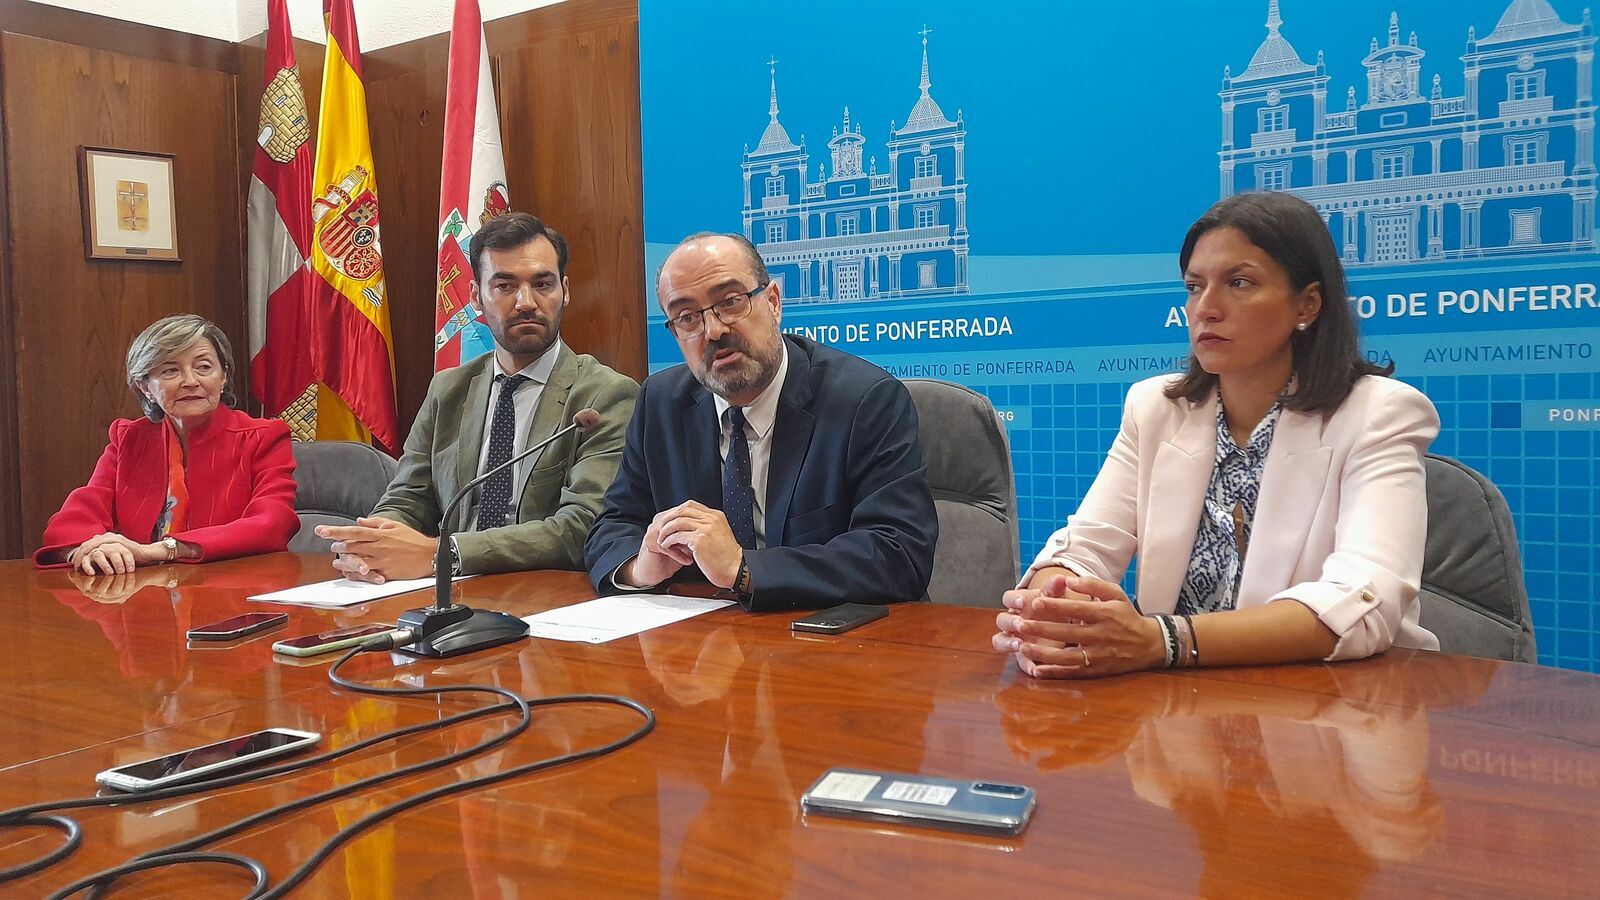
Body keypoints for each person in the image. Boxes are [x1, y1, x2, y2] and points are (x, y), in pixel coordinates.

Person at [994, 191, 1440, 678]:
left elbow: (1360, 600)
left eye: (1239, 282)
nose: (1206, 307)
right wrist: (1050, 608)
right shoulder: (1156, 409)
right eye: (1193, 286)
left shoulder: (1380, 413)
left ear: (1307, 304)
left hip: (1333, 706)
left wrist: (1163, 640)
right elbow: (1084, 548)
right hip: (1177, 713)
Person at [585, 232, 937, 611]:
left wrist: (744, 568)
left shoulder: (864, 401)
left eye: (731, 302)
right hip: (704, 645)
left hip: (835, 644)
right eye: (687, 317)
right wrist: (641, 567)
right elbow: (613, 524)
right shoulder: (661, 402)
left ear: (773, 302)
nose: (714, 331)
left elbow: (897, 552)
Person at [319, 212, 637, 581]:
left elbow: (583, 527)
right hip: (441, 590)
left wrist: (446, 555)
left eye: (542, 284)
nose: (526, 302)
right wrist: (373, 546)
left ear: (565, 290)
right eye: (505, 286)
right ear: (475, 297)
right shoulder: (448, 388)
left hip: (543, 591)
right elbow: (407, 498)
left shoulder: (605, 395)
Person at [35, 315, 299, 573]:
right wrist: (90, 550)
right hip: (142, 598)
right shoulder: (128, 439)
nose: (190, 381)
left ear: (223, 376)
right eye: (171, 370)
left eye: (204, 367)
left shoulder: (262, 437)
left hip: (235, 594)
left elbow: (272, 523)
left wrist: (158, 551)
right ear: (145, 387)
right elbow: (75, 517)